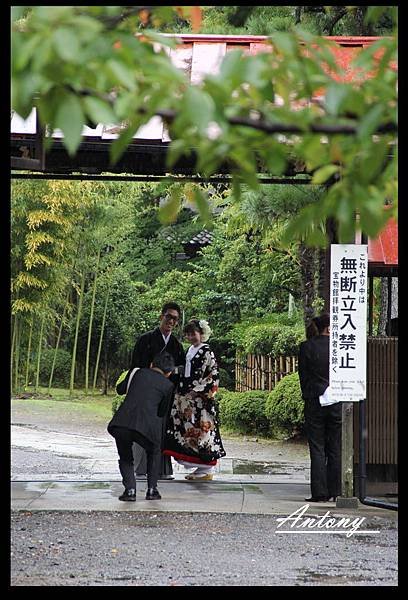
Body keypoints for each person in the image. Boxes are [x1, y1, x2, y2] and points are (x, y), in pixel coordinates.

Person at [163, 318, 226, 480]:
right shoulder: (190, 350)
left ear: (202, 334)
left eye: (194, 334)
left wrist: (197, 391)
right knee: (187, 430)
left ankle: (205, 468)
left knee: (202, 432)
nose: (191, 337)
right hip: (186, 398)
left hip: (200, 400)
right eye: (188, 334)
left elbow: (213, 375)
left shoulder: (206, 351)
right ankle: (199, 469)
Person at [107, 352, 175, 501]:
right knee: (154, 451)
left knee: (125, 457)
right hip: (147, 426)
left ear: (151, 364)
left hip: (122, 422)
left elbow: (120, 389)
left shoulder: (137, 372)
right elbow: (163, 412)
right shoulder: (168, 385)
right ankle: (152, 490)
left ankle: (130, 491)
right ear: (169, 373)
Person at [130, 302, 185, 480]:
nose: (171, 321)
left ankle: (162, 470)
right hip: (146, 391)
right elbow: (135, 366)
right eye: (168, 316)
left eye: (174, 319)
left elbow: (181, 369)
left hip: (166, 393)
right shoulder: (145, 340)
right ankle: (139, 468)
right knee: (143, 427)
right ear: (161, 316)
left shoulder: (176, 345)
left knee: (163, 430)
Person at [298, 313, 342, 502]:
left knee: (317, 447)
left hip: (315, 398)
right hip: (338, 398)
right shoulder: (339, 347)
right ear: (330, 328)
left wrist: (308, 394)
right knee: (335, 446)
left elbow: (303, 376)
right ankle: (336, 490)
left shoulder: (307, 346)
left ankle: (319, 492)